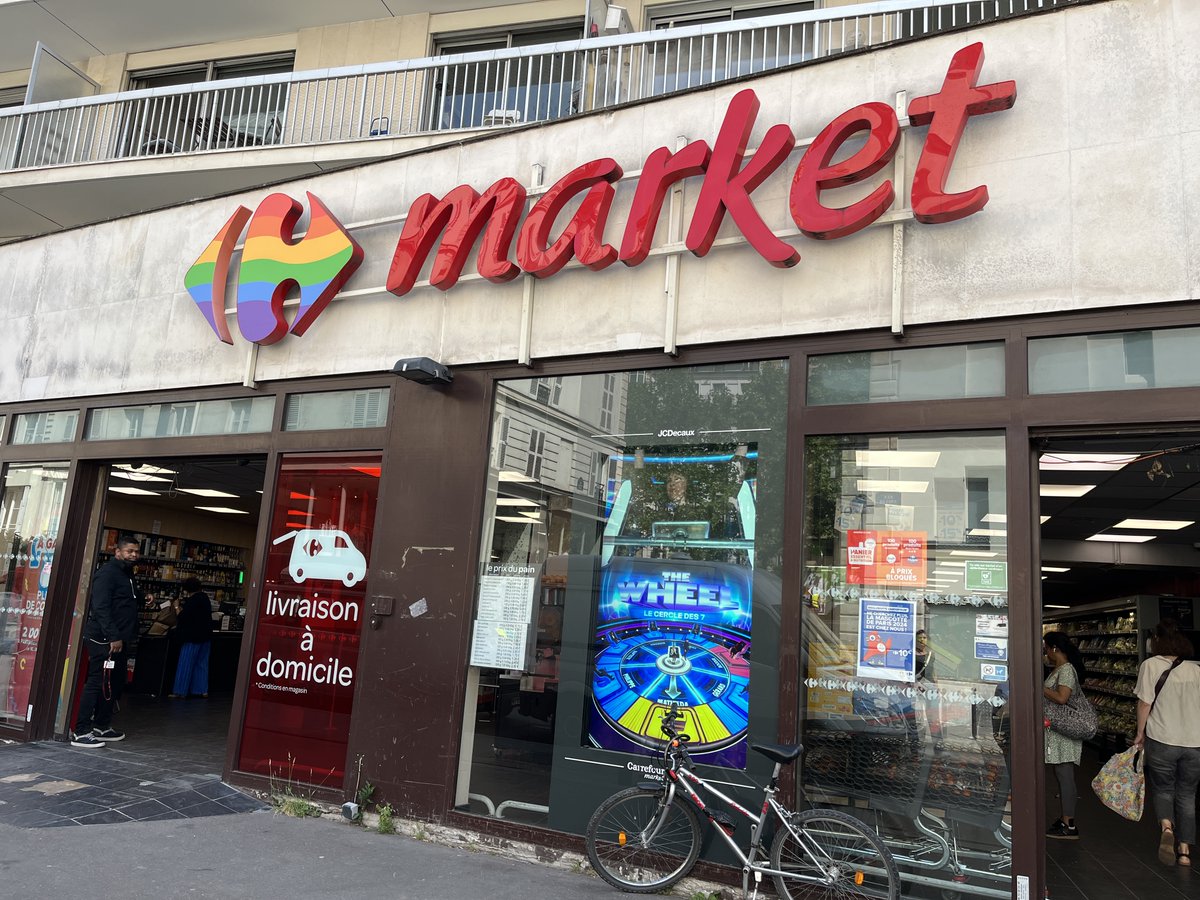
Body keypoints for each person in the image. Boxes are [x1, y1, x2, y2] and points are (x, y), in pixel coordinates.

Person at [1133, 620, 1200, 868]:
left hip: (1162, 738)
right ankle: (1184, 851)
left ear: (1157, 641)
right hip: (1194, 742)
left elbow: (1144, 703)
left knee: (1163, 789)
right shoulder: (1196, 670)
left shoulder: (1150, 665)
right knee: (1187, 793)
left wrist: (1140, 732)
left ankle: (1167, 827)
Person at [72, 534, 149, 748]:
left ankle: (102, 726)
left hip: (121, 640)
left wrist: (144, 597)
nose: (133, 555)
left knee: (114, 683)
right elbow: (101, 607)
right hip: (103, 639)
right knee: (97, 682)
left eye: (136, 551)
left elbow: (127, 598)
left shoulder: (127, 574)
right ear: (118, 552)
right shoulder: (107, 574)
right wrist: (112, 636)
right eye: (129, 551)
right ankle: (81, 731)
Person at [1043, 630, 1086, 839]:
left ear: (1054, 648)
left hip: (1065, 733)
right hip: (1058, 732)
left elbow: (1062, 697)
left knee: (1065, 775)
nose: (1045, 652)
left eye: (1045, 648)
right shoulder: (1059, 669)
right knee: (1062, 775)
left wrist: (1039, 687)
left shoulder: (1066, 670)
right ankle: (1065, 820)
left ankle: (1068, 823)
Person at [170, 576, 215, 699]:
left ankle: (180, 691)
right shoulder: (205, 598)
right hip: (206, 636)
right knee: (202, 664)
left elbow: (183, 617)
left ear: (187, 589)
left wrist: (176, 606)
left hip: (192, 637)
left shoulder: (193, 600)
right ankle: (201, 690)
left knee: (186, 663)